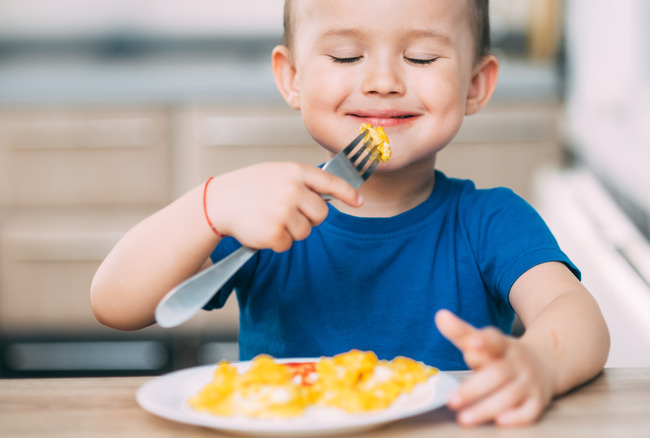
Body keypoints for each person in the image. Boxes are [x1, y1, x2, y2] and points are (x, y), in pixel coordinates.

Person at [91, 0, 610, 427]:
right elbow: (116, 303)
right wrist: (209, 205)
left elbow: (576, 315)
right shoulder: (264, 213)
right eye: (344, 56)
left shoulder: (491, 221)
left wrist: (539, 363)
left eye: (423, 58)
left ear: (476, 84)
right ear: (291, 78)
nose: (383, 82)